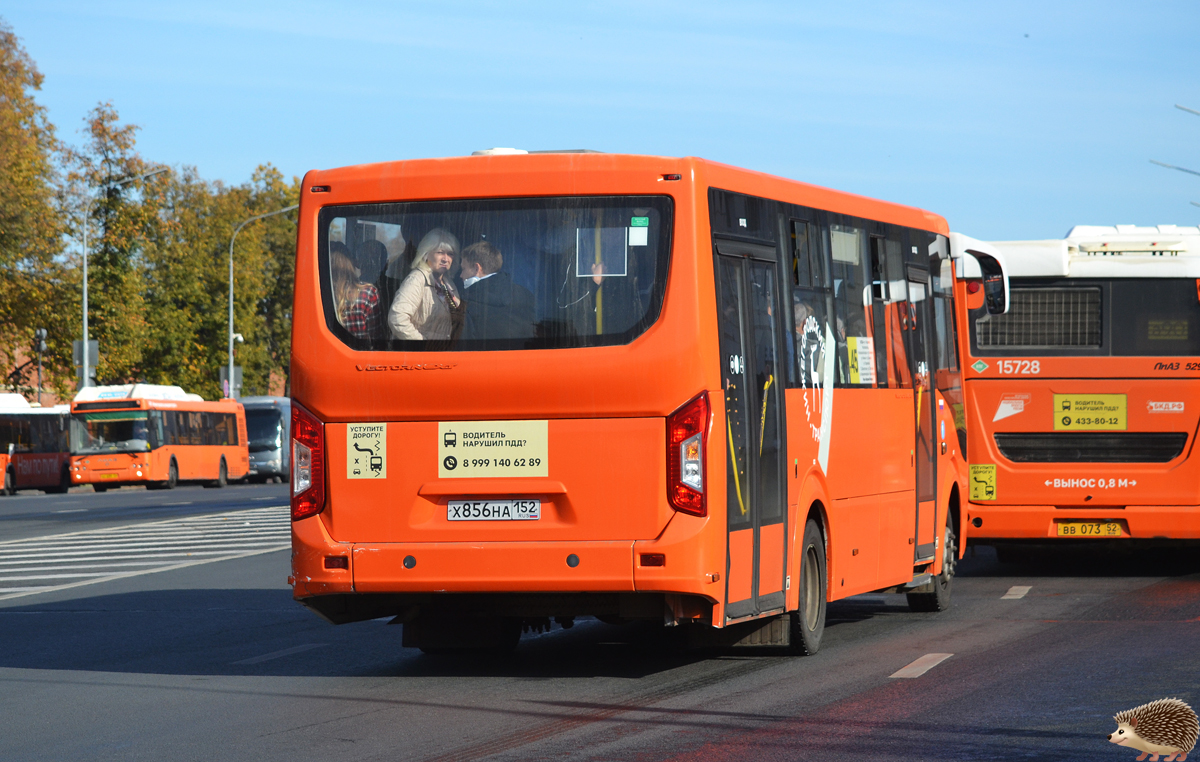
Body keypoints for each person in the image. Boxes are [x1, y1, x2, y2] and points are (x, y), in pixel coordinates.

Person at [388, 228, 463, 341]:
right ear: (426, 254)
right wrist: (422, 344)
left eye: (450, 254)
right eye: (440, 252)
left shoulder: (448, 283)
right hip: (422, 356)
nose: (445, 259)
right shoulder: (416, 279)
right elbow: (397, 319)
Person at [459, 241, 536, 341]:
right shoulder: (525, 295)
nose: (461, 275)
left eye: (463, 269)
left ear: (476, 268)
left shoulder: (466, 302)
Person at [331, 243, 384, 342]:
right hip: (361, 355)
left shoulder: (321, 295)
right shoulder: (368, 293)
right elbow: (376, 338)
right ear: (351, 263)